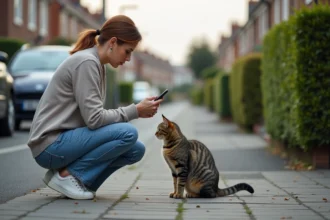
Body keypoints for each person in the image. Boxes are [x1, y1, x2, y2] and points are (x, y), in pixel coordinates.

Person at [27, 15, 162, 200]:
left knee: (135, 150)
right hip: (50, 145)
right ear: (113, 42)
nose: (129, 59)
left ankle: (80, 182)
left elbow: (93, 119)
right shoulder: (87, 63)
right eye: (127, 51)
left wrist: (135, 110)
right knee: (128, 133)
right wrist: (135, 111)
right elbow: (95, 119)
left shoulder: (97, 64)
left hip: (63, 141)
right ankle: (67, 176)